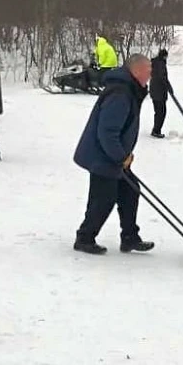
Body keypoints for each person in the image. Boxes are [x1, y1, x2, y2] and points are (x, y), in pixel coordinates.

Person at [73, 54, 154, 255]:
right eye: (148, 70)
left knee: (130, 190)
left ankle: (130, 237)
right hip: (103, 156)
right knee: (103, 198)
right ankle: (84, 238)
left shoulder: (128, 89)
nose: (150, 74)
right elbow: (107, 132)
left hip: (111, 154)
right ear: (136, 71)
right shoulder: (120, 94)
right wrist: (121, 157)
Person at [149, 48, 173, 138]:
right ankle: (156, 131)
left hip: (154, 90)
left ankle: (156, 129)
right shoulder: (161, 64)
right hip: (159, 91)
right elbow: (162, 77)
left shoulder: (155, 63)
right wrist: (169, 87)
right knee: (161, 112)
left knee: (158, 111)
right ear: (164, 56)